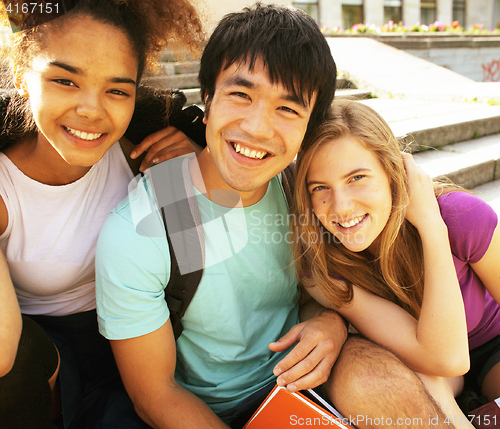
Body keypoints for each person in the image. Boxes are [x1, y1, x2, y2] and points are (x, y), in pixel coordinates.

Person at [96, 5, 460, 429]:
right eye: (241, 95)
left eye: (287, 109)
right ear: (207, 100)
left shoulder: (304, 192)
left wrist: (331, 322)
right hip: (207, 409)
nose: (257, 128)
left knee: (379, 380)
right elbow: (156, 395)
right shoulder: (139, 230)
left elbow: (317, 288)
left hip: (307, 379)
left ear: (307, 129)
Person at [0, 0, 204, 427]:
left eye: (116, 90)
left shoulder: (144, 152)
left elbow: (199, 263)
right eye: (65, 80)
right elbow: (3, 352)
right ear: (21, 78)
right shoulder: (5, 187)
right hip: (40, 372)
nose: (92, 110)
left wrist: (201, 166)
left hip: (141, 346)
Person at [293, 98, 500, 428]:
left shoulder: (461, 217)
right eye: (320, 187)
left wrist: (431, 224)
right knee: (421, 377)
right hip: (436, 367)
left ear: (393, 174)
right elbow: (446, 359)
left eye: (357, 177)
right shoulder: (325, 267)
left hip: (492, 342)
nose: (342, 207)